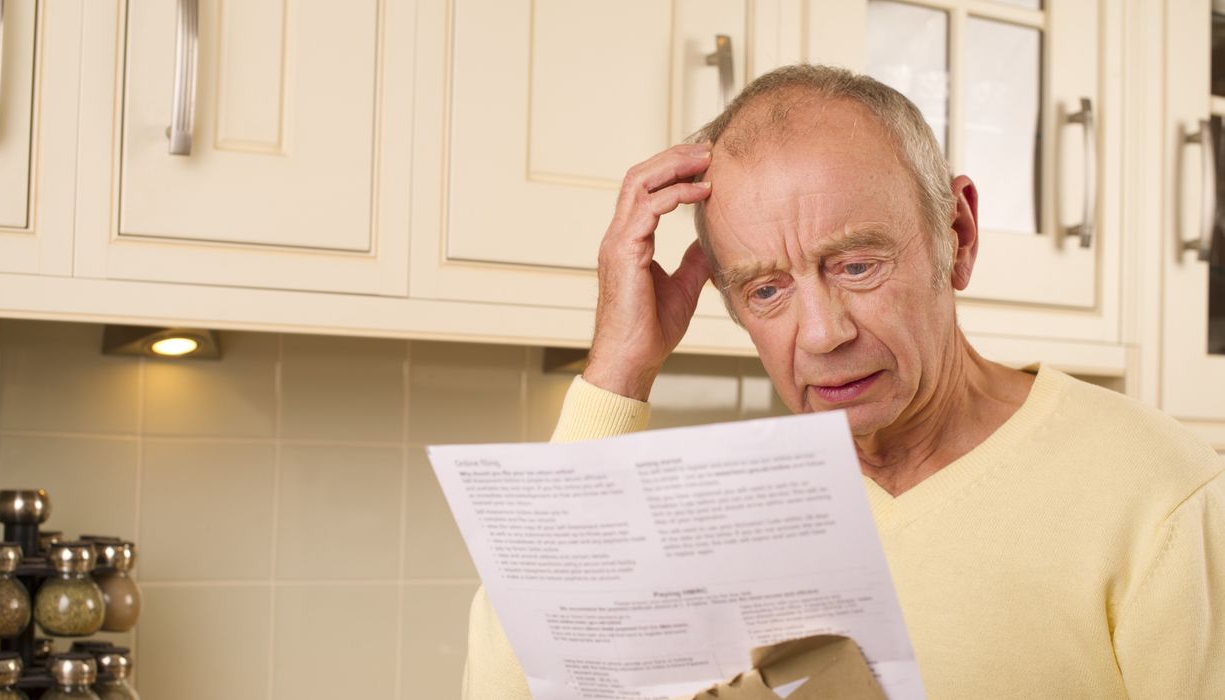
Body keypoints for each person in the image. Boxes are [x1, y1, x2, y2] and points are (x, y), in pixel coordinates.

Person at [461, 64, 1224, 699]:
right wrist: (618, 368)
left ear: (955, 236)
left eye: (856, 265)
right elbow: (505, 686)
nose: (823, 333)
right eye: (766, 290)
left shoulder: (1161, 495)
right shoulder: (720, 516)